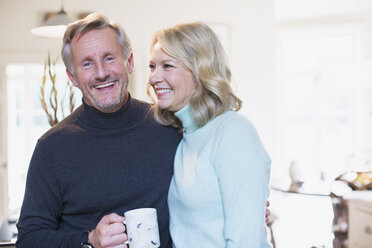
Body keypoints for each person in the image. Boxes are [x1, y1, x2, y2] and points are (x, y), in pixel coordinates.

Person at [16, 13, 182, 248]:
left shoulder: (170, 128)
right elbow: (28, 239)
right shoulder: (51, 148)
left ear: (130, 62)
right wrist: (89, 240)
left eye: (109, 58)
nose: (101, 72)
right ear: (72, 77)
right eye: (87, 63)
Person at [148, 22, 272, 247]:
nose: (153, 78)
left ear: (199, 71)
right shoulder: (184, 136)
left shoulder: (233, 132)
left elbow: (245, 241)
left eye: (167, 65)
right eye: (152, 66)